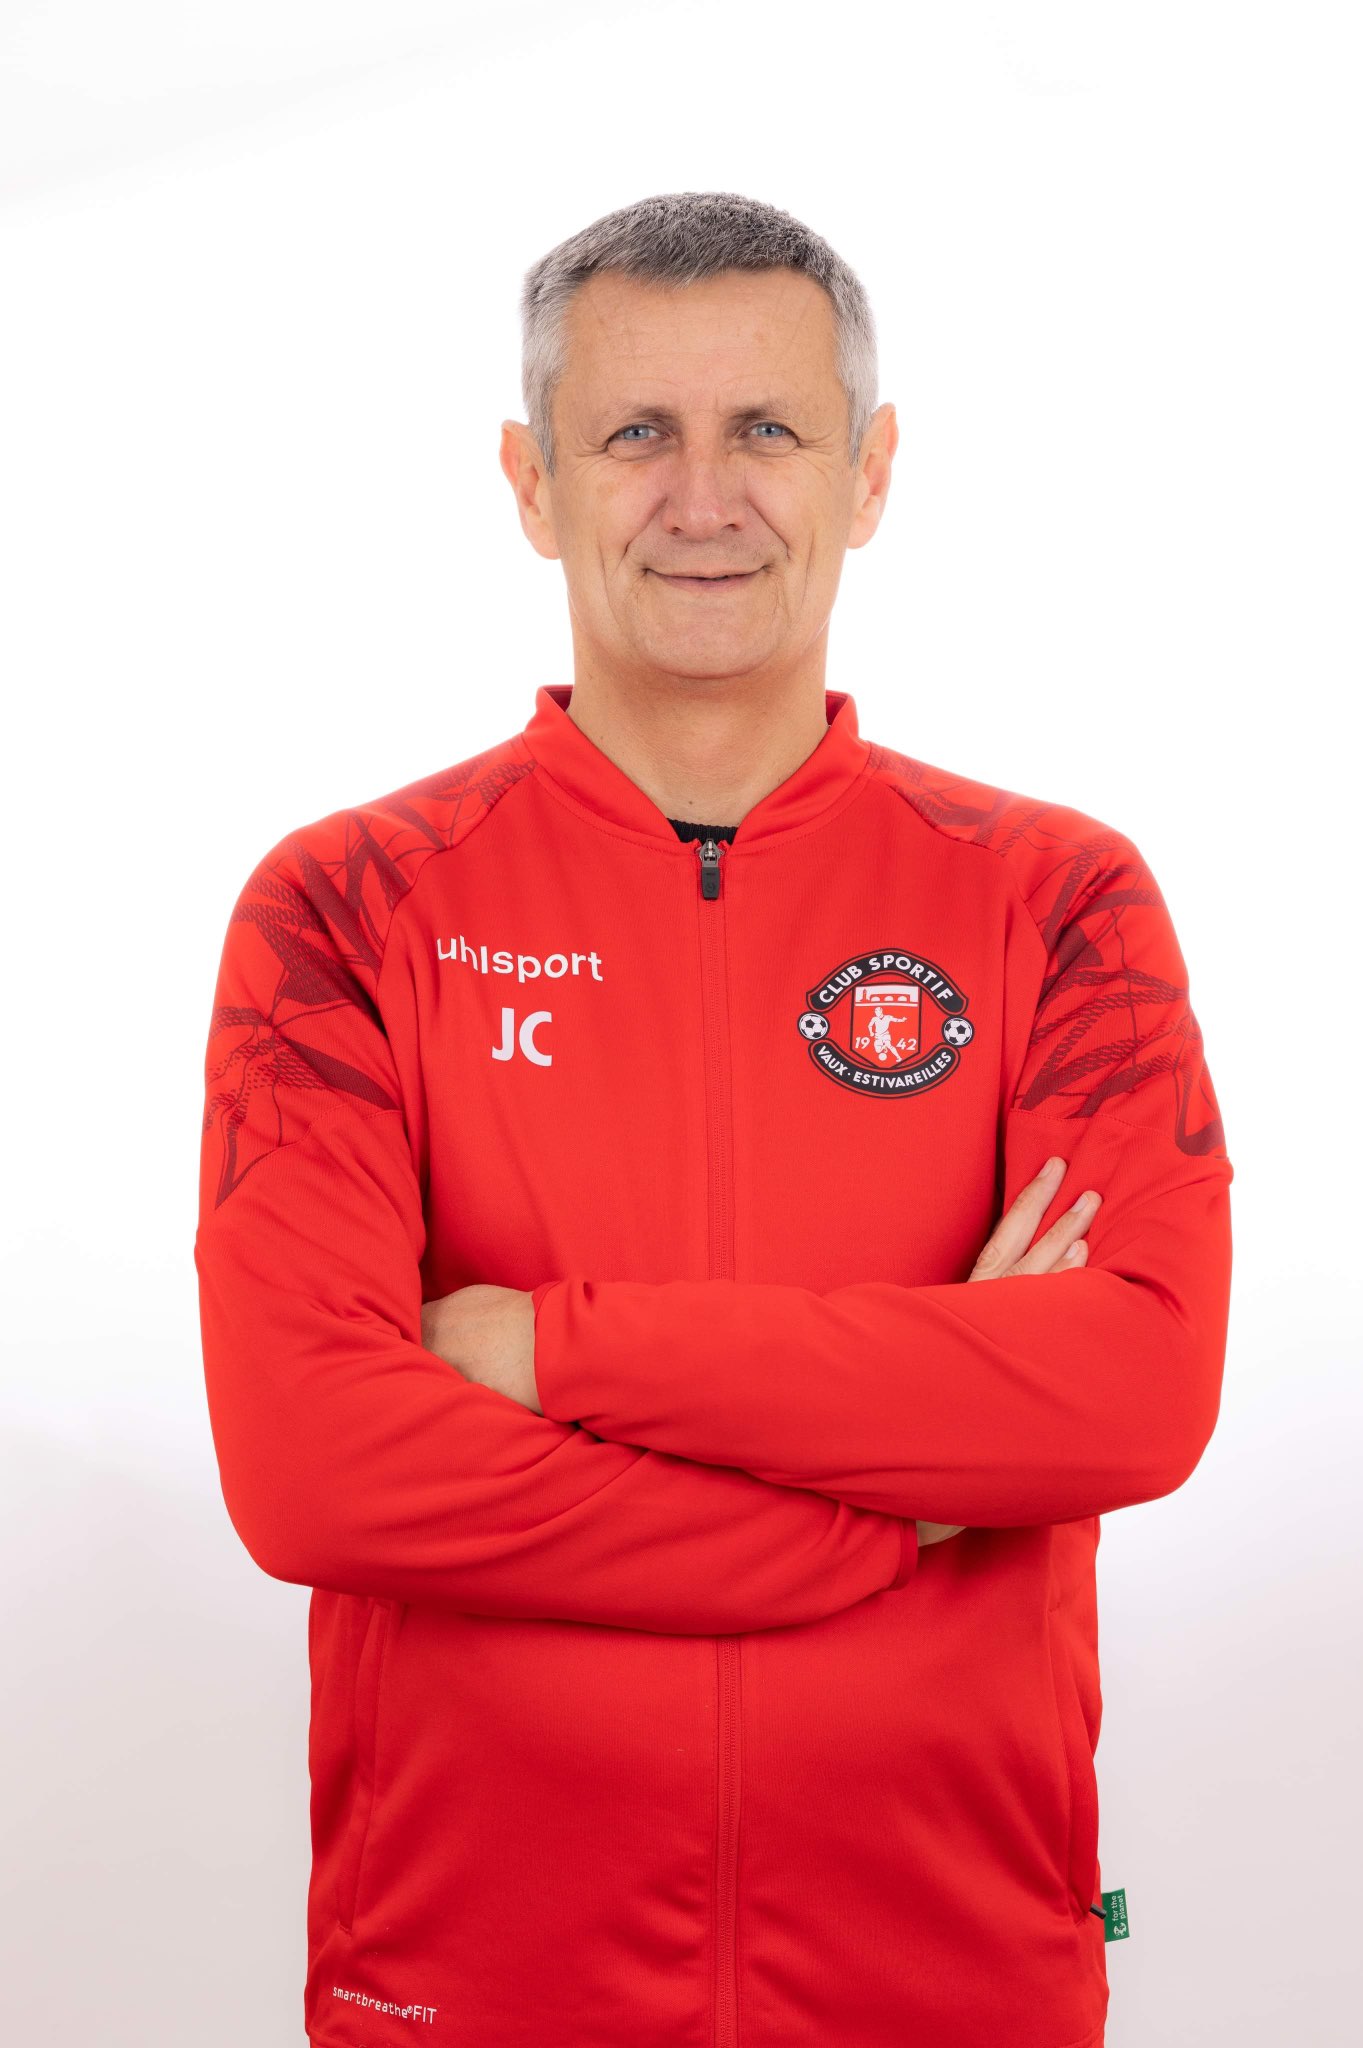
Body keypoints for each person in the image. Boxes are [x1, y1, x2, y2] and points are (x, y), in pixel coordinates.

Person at [195, 189, 1233, 2048]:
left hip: (952, 1978)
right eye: (633, 434)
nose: (703, 497)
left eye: (766, 427)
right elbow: (314, 1467)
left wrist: (547, 1350)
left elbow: (1135, 1386)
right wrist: (886, 1519)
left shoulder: (1058, 900)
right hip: (474, 1982)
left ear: (870, 471)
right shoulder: (344, 910)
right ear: (531, 483)